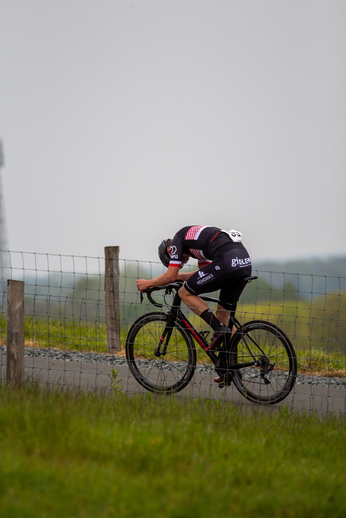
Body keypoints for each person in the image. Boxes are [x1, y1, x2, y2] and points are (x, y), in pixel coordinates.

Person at [137, 225, 252, 354]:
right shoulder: (196, 244)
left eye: (177, 261)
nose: (182, 263)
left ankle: (219, 330)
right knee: (222, 315)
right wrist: (178, 277)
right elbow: (204, 273)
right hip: (243, 264)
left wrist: (148, 283)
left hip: (227, 262)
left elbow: (170, 276)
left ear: (170, 251)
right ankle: (231, 368)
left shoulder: (177, 240)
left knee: (184, 293)